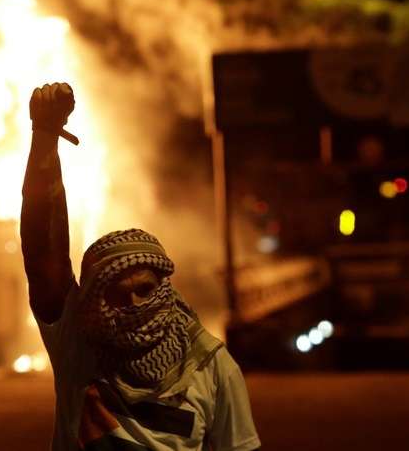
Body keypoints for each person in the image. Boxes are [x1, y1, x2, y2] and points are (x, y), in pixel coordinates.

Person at [21, 83, 261, 451]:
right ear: (93, 301)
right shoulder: (79, 343)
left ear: (164, 286)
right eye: (118, 294)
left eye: (145, 289)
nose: (134, 303)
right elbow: (44, 256)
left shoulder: (212, 365)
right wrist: (45, 140)